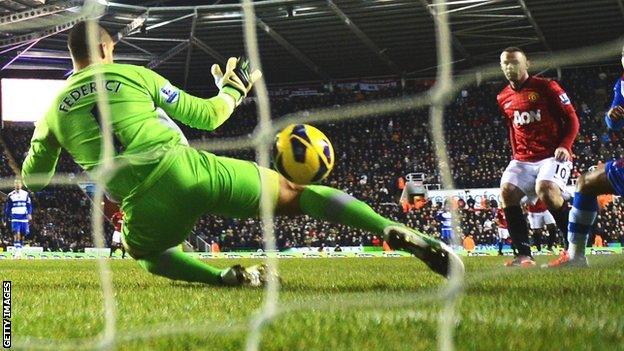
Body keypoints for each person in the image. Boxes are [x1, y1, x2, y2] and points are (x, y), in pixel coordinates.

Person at [21, 21, 463, 287]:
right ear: (104, 49)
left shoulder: (51, 114)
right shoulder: (134, 75)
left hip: (142, 204)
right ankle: (392, 229)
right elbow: (208, 118)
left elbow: (36, 182)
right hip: (189, 168)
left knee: (149, 256)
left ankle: (225, 277)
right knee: (295, 191)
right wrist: (231, 89)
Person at [497, 47, 579, 267]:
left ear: (527, 64)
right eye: (505, 63)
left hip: (552, 156)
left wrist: (565, 146)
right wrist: (516, 156)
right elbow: (513, 128)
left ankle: (573, 252)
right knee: (507, 192)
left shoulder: (546, 87)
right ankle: (523, 255)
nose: (509, 67)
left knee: (547, 190)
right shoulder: (503, 97)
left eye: (514, 62)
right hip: (523, 159)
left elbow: (572, 119)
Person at [547, 45, 624, 267]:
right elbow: (614, 123)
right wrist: (612, 115)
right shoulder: (622, 84)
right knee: (586, 183)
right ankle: (576, 257)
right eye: (622, 54)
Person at [3, 179, 32, 256]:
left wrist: (29, 213)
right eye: (16, 183)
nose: (18, 184)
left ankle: (19, 249)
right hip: (15, 217)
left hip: (24, 217)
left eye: (19, 183)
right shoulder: (10, 195)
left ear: (21, 185)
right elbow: (8, 208)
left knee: (23, 234)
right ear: (14, 185)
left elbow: (29, 205)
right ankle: (17, 251)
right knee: (17, 233)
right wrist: (6, 218)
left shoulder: (26, 194)